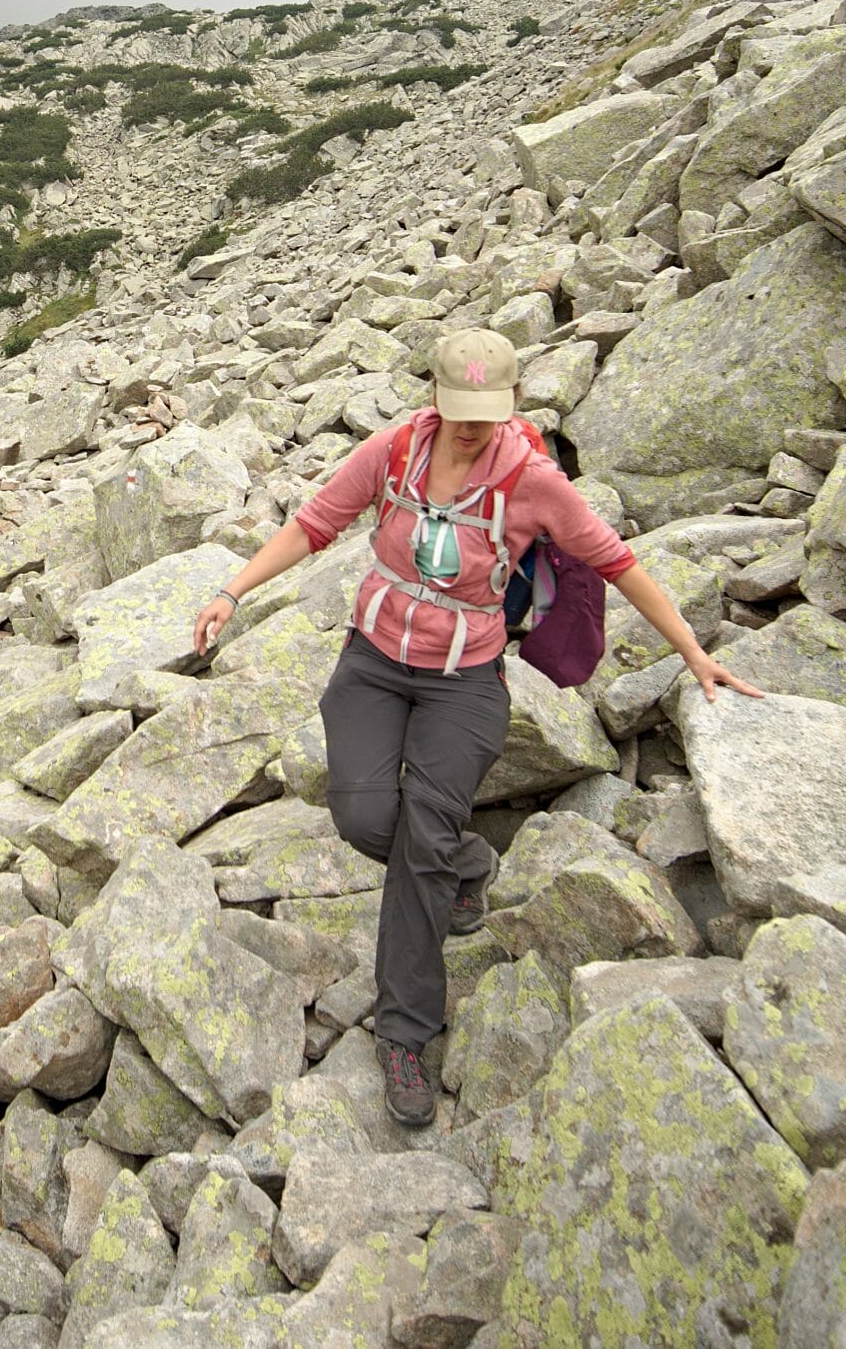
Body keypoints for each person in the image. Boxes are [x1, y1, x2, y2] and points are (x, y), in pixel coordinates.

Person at [188, 326, 760, 1127]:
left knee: (418, 839)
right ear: (433, 395)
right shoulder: (395, 452)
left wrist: (696, 654)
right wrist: (232, 589)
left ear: (513, 401)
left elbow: (618, 564)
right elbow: (315, 523)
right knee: (362, 816)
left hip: (466, 680)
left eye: (486, 411)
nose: (470, 423)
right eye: (457, 407)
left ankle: (406, 1034)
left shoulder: (534, 482)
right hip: (374, 662)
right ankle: (468, 862)